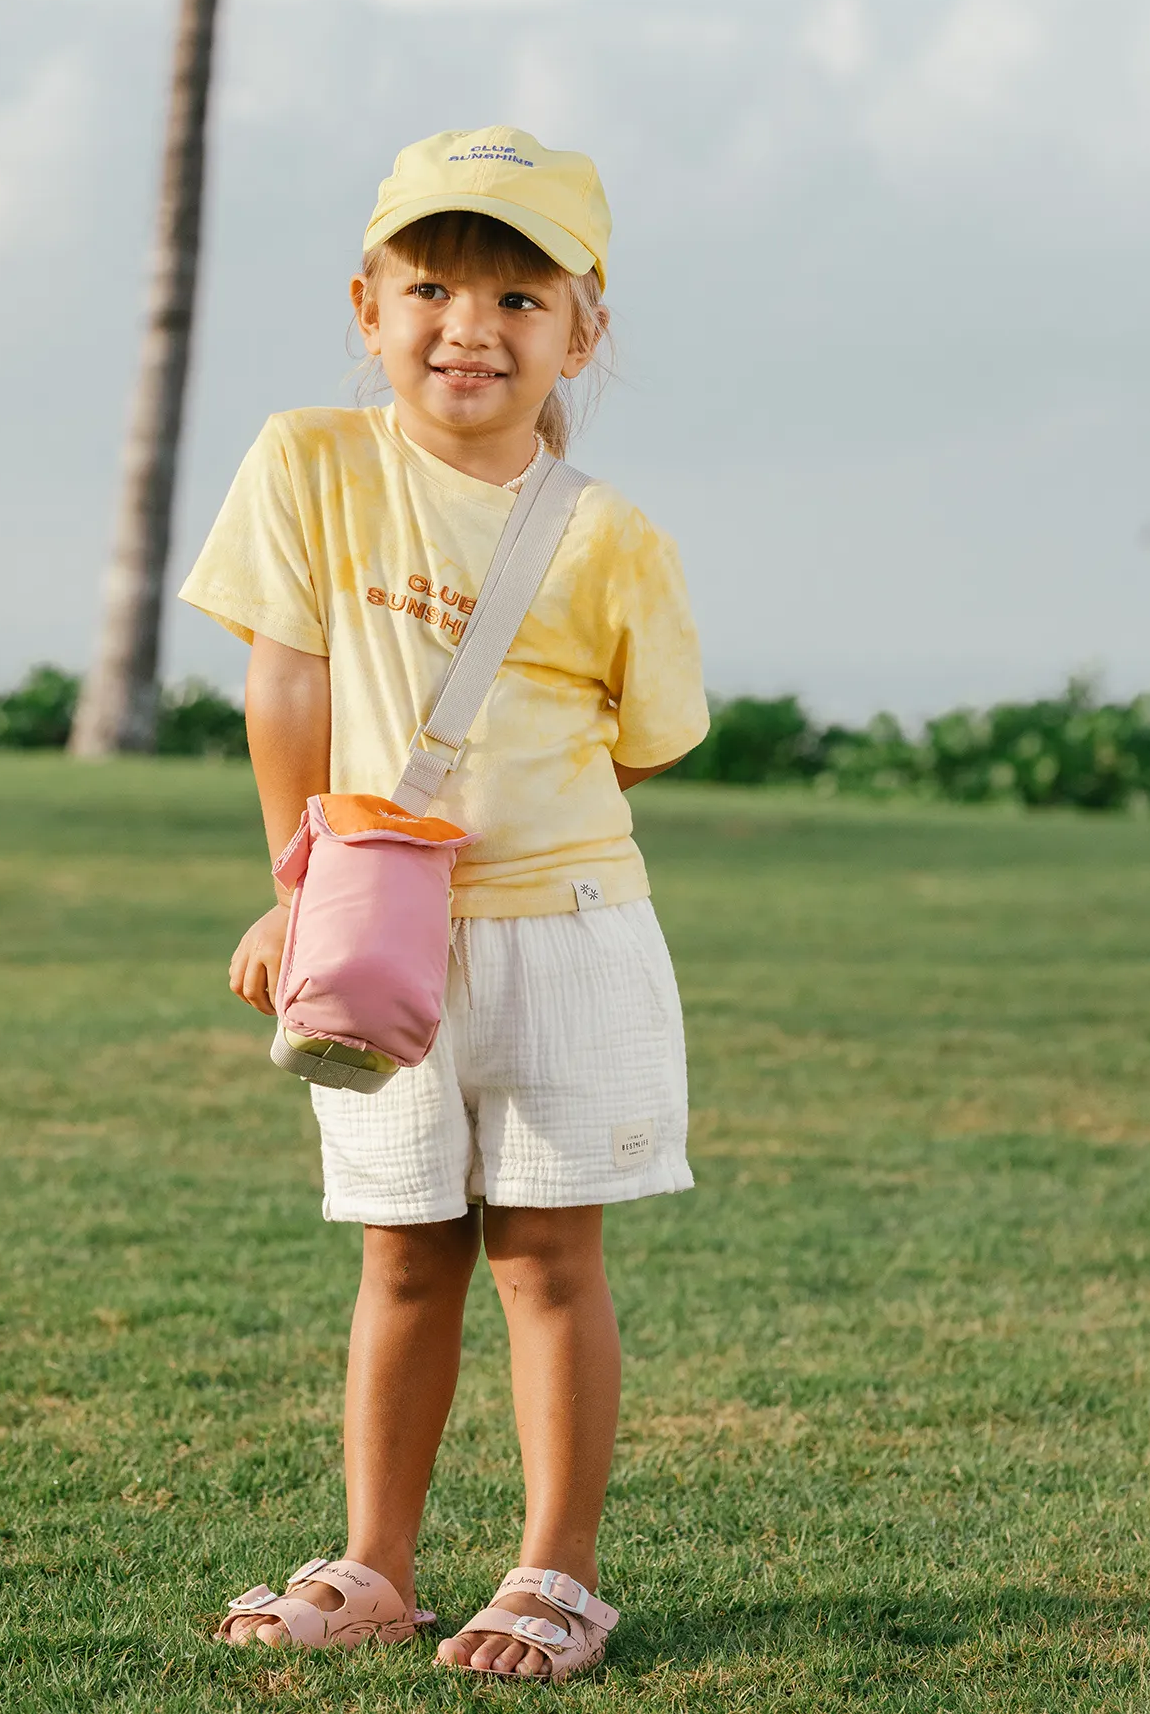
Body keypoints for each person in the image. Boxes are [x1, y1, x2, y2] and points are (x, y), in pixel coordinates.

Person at [179, 126, 708, 1682]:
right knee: (402, 1251)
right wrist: (299, 894)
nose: (468, 325)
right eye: (430, 286)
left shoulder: (613, 536)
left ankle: (554, 1576)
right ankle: (376, 1565)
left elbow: (644, 743)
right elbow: (286, 680)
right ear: (366, 305)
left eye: (518, 298)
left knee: (548, 1258)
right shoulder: (310, 464)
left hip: (566, 935)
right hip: (368, 936)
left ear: (581, 332)